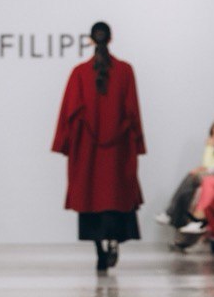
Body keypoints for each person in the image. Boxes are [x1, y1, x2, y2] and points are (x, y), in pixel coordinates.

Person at [52, 22, 145, 272]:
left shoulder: (79, 73)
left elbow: (68, 113)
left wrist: (63, 143)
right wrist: (137, 143)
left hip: (88, 150)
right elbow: (132, 111)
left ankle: (99, 251)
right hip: (118, 150)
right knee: (115, 195)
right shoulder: (125, 71)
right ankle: (114, 241)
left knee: (91, 197)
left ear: (91, 40)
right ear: (110, 39)